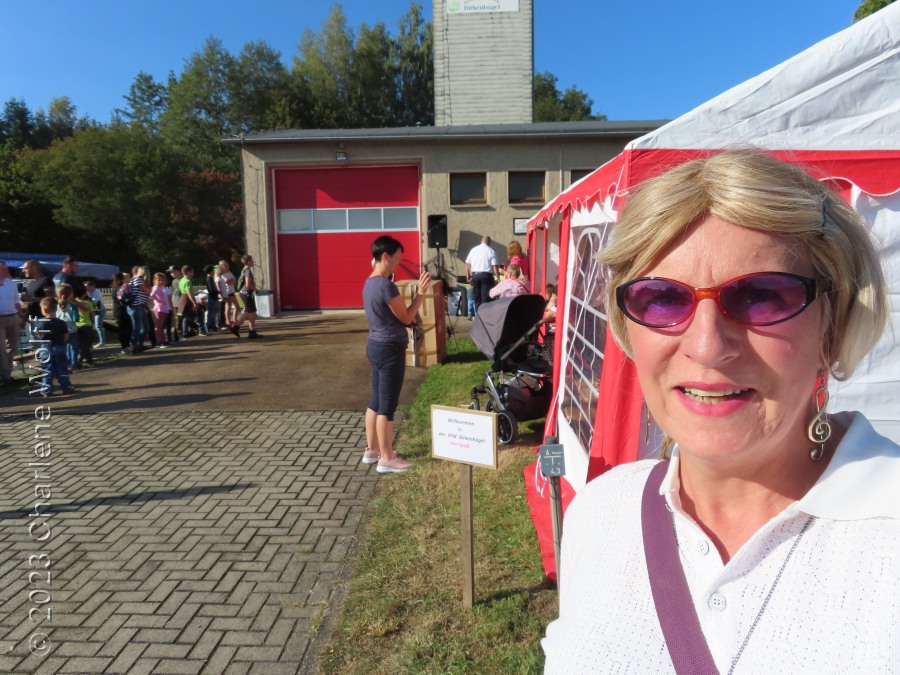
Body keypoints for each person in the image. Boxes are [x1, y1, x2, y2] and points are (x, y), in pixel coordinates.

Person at [542, 150, 899, 673]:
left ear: (833, 325)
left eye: (761, 296)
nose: (708, 346)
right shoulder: (600, 513)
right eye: (661, 299)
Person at [362, 235, 433, 473]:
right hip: (390, 349)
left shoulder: (369, 283)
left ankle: (372, 451)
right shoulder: (385, 285)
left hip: (375, 345)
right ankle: (387, 458)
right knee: (387, 407)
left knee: (375, 401)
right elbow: (407, 318)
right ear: (385, 257)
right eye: (397, 259)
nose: (398, 264)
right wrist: (421, 293)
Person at [33, 297, 75, 397]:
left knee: (47, 370)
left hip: (45, 348)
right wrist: (62, 342)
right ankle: (66, 388)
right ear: (56, 309)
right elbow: (66, 335)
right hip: (59, 347)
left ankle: (46, 390)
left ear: (43, 310)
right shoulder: (61, 323)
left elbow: (37, 335)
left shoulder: (39, 323)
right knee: (61, 369)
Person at [0, 262, 23, 385]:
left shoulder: (11, 284)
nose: (5, 271)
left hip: (13, 316)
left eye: (6, 269)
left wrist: (21, 316)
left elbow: (16, 302)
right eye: (2, 269)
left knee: (12, 347)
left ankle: (7, 373)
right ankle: (5, 375)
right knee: (1, 348)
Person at [229, 255, 262, 339]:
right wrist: (255, 288)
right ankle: (236, 327)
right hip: (246, 293)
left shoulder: (243, 270)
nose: (253, 262)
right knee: (248, 312)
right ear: (248, 262)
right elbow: (247, 284)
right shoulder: (247, 271)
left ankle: (252, 331)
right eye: (252, 260)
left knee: (252, 312)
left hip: (244, 293)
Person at [465, 235, 499, 312]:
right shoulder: (491, 250)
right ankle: (485, 316)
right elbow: (494, 266)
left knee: (477, 298)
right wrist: (498, 278)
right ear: (489, 242)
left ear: (481, 241)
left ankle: (478, 316)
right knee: (485, 298)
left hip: (475, 275)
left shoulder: (473, 250)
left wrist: (468, 274)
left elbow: (467, 263)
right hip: (486, 276)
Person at [128, 266, 152, 353]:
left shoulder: (140, 281)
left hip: (141, 306)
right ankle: (134, 346)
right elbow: (148, 291)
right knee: (137, 327)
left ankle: (139, 344)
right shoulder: (137, 280)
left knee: (145, 327)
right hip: (136, 306)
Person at [111, 272, 132, 354]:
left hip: (119, 310)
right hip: (121, 310)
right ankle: (125, 346)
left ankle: (126, 345)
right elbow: (121, 299)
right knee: (124, 329)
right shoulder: (119, 288)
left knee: (126, 328)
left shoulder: (115, 288)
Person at [150, 272, 172, 348]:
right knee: (158, 325)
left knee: (161, 325)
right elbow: (152, 294)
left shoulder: (160, 288)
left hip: (163, 308)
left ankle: (162, 340)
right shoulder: (156, 287)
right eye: (159, 280)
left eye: (162, 280)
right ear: (154, 280)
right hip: (159, 308)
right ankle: (158, 341)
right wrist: (158, 301)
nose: (161, 282)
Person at [84, 279, 107, 348]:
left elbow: (94, 302)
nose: (85, 288)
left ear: (91, 286)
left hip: (100, 311)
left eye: (86, 286)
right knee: (97, 326)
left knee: (98, 326)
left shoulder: (96, 292)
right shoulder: (88, 292)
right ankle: (101, 341)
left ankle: (102, 342)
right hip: (94, 311)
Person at [218, 260, 238, 327]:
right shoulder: (222, 275)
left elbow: (234, 281)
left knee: (237, 306)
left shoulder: (230, 272)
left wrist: (231, 281)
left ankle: (235, 319)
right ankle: (228, 321)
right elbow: (228, 282)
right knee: (228, 307)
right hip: (227, 292)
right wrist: (231, 281)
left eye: (228, 265)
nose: (227, 267)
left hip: (232, 291)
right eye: (225, 266)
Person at [203, 264, 221, 333]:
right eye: (213, 270)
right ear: (211, 271)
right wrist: (217, 291)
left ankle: (212, 325)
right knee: (211, 312)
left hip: (214, 297)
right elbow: (211, 290)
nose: (214, 271)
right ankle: (209, 326)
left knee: (214, 312)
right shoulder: (209, 279)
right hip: (212, 297)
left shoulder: (211, 278)